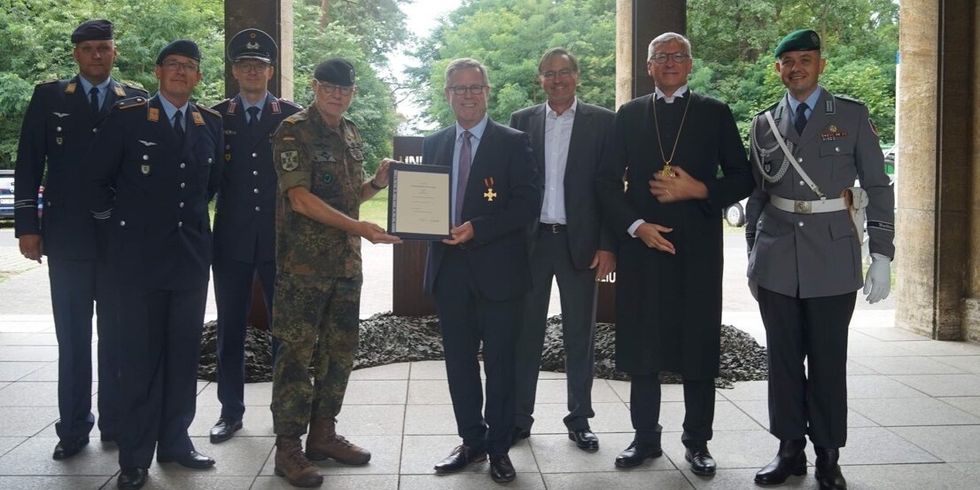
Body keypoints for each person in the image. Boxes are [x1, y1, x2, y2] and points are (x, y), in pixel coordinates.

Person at [596, 32, 753, 476]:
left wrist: (699, 188)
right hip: (643, 248)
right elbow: (606, 182)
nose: (669, 62)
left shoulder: (714, 112)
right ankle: (644, 438)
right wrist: (636, 227)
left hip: (698, 249)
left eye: (677, 56)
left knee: (698, 344)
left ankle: (698, 442)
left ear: (690, 65)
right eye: (660, 56)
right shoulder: (627, 115)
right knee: (642, 342)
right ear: (648, 66)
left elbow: (743, 179)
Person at [746, 29, 894, 490]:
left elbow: (877, 185)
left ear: (820, 64)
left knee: (828, 360)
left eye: (805, 59)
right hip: (775, 256)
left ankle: (828, 454)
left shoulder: (850, 115)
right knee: (784, 359)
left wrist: (883, 253)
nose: (796, 68)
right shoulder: (764, 123)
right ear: (778, 69)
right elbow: (757, 193)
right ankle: (789, 449)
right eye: (787, 61)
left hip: (832, 253)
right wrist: (752, 251)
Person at [87, 39, 222, 490]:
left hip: (188, 259)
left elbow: (210, 187)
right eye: (174, 65)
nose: (182, 72)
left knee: (183, 356)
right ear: (158, 72)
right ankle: (135, 456)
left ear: (199, 77)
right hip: (138, 263)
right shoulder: (128, 119)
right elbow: (98, 183)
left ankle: (176, 442)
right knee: (139, 358)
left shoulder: (210, 124)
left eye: (190, 66)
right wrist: (122, 236)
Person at [14, 19, 146, 460]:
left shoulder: (135, 99)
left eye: (103, 48)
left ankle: (114, 423)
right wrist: (28, 227)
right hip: (67, 238)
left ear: (115, 52)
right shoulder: (50, 97)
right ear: (76, 54)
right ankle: (72, 429)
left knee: (117, 336)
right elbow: (29, 164)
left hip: (118, 241)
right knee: (72, 339)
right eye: (88, 48)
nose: (96, 55)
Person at [269, 58, 400, 488]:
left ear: (353, 93)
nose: (337, 95)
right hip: (303, 268)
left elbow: (348, 199)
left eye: (345, 89)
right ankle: (288, 447)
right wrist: (358, 228)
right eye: (329, 87)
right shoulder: (293, 130)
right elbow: (301, 200)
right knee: (296, 355)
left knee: (339, 352)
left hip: (345, 265)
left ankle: (323, 434)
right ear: (315, 86)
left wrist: (377, 185)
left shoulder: (351, 132)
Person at [422, 58, 540, 484]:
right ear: (447, 94)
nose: (467, 95)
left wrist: (478, 229)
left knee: (502, 364)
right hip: (449, 273)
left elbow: (527, 205)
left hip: (500, 274)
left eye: (475, 87)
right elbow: (424, 201)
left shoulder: (513, 142)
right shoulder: (433, 143)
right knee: (458, 363)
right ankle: (471, 440)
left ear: (487, 92)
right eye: (459, 88)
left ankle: (499, 448)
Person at [508, 47, 616, 452]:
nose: (557, 80)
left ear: (577, 75)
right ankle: (520, 418)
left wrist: (608, 245)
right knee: (526, 334)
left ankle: (580, 419)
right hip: (533, 245)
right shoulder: (521, 122)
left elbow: (609, 189)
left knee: (579, 337)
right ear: (540, 80)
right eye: (549, 74)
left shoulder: (603, 122)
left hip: (582, 245)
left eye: (564, 72)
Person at [209, 28, 301, 444]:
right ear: (234, 71)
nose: (252, 70)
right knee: (231, 328)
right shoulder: (215, 117)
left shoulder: (292, 116)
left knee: (286, 329)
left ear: (271, 71)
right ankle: (230, 412)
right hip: (230, 242)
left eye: (259, 65)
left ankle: (285, 412)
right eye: (245, 65)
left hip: (280, 240)